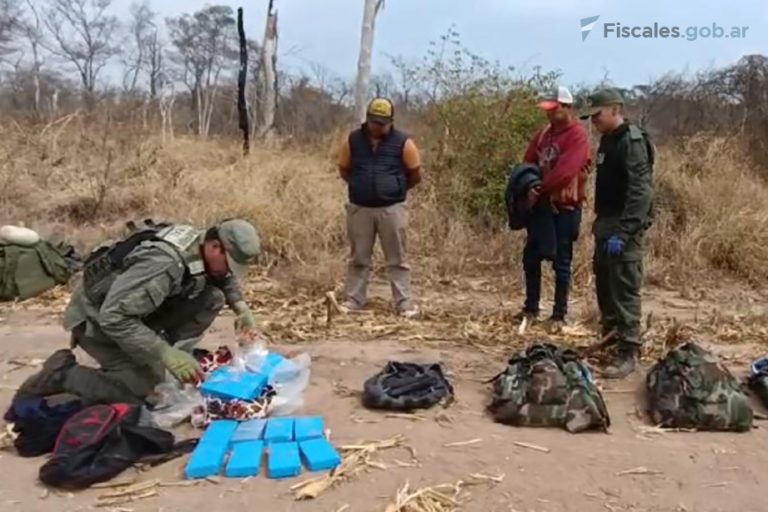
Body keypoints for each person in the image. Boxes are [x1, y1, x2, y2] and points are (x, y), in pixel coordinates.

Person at [14, 219, 262, 404]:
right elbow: (113, 318)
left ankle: (156, 358)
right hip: (95, 321)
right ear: (216, 246)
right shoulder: (163, 264)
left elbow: (221, 277)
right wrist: (163, 352)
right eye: (230, 263)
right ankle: (65, 375)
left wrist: (240, 308)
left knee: (213, 297)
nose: (230, 272)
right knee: (142, 390)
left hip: (132, 311)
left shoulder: (200, 243)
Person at [581, 88, 654, 379]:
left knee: (624, 286)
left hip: (624, 226)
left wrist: (624, 232)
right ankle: (610, 340)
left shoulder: (631, 141)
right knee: (606, 286)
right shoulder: (607, 141)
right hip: (606, 223)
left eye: (597, 115)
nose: (593, 121)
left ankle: (628, 351)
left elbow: (641, 192)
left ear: (614, 109)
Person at [337, 97, 422, 318]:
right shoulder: (353, 140)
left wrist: (394, 189)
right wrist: (361, 186)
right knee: (358, 258)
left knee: (397, 259)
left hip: (392, 209)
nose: (378, 127)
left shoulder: (404, 143)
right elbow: (344, 169)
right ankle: (354, 300)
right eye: (375, 122)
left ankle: (403, 303)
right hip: (360, 209)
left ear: (391, 121)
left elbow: (415, 174)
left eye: (383, 123)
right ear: (368, 120)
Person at [517, 86, 591, 329]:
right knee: (531, 257)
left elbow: (567, 171)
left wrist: (540, 187)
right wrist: (528, 183)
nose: (549, 114)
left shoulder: (577, 136)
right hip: (542, 207)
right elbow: (528, 161)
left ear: (567, 108)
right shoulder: (543, 134)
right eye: (547, 110)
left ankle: (559, 314)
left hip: (564, 207)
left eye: (554, 109)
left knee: (562, 260)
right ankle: (531, 309)